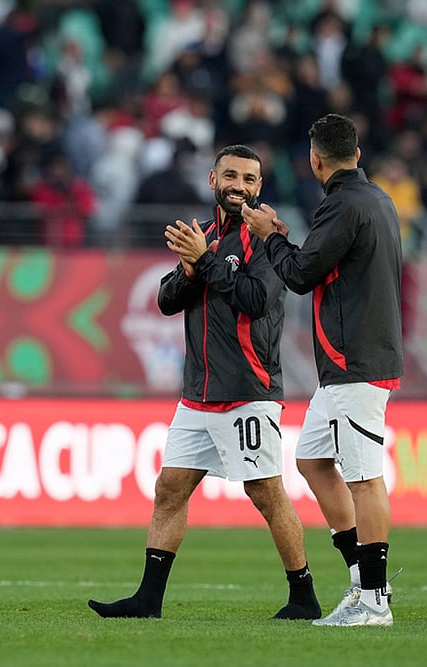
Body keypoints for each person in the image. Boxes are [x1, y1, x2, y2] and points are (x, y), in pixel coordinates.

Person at [88, 145, 321, 621]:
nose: (239, 185)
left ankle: (304, 596)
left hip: (247, 392)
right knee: (169, 488)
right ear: (214, 178)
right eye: (231, 175)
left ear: (260, 187)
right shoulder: (206, 234)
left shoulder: (270, 238)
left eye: (250, 179)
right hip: (197, 393)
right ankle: (148, 600)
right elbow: (167, 300)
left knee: (266, 494)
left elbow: (256, 300)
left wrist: (207, 264)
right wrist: (193, 267)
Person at [242, 113, 403, 627]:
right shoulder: (377, 200)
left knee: (364, 479)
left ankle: (375, 600)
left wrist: (269, 236)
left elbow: (298, 275)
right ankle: (362, 580)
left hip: (354, 360)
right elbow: (316, 261)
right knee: (313, 460)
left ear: (315, 160)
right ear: (357, 153)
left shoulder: (342, 205)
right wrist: (288, 241)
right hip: (353, 362)